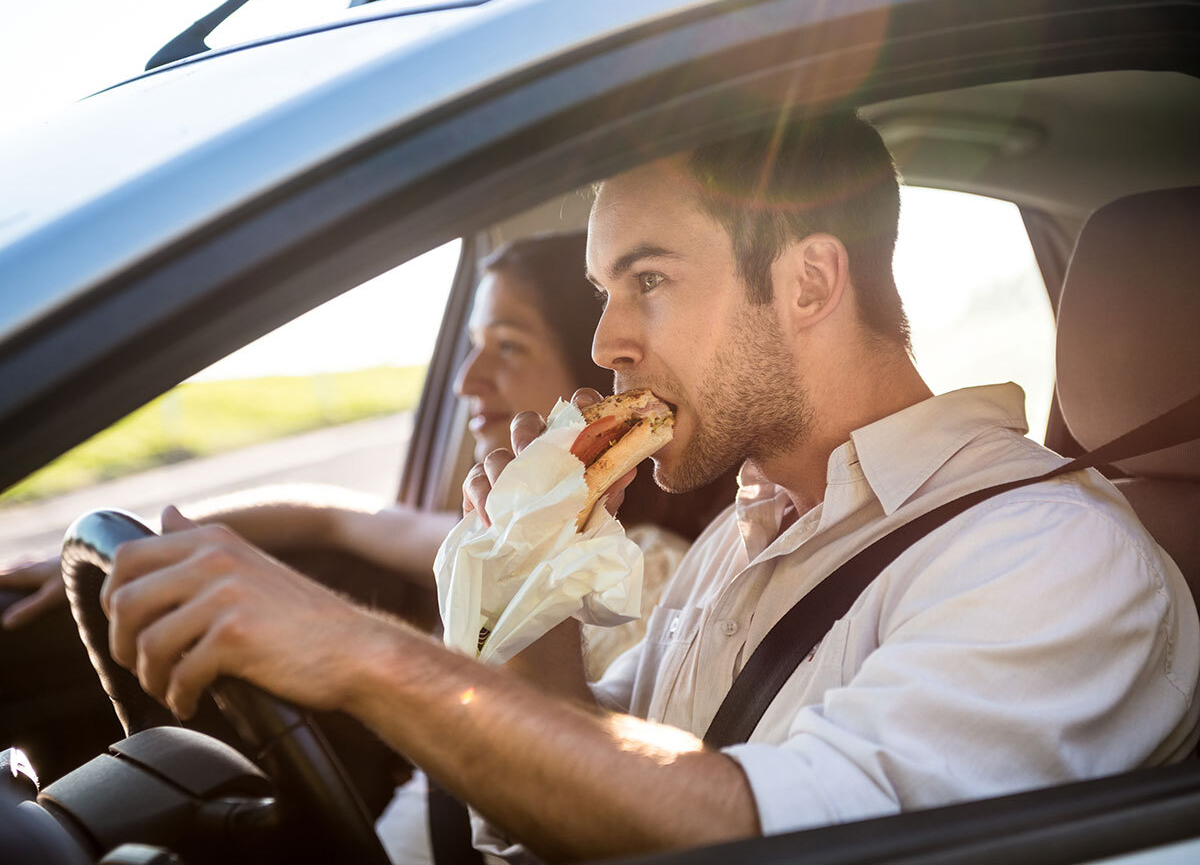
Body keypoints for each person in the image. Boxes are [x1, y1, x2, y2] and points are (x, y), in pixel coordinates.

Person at [84, 111, 1197, 862]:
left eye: (649, 280)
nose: (608, 339)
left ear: (809, 281)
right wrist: (529, 582)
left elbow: (750, 832)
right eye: (603, 288)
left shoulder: (1049, 557)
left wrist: (360, 652)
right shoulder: (749, 532)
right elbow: (589, 785)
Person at [0, 232, 729, 682]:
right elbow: (334, 517)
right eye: (472, 347)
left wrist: (346, 651)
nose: (467, 381)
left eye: (507, 347)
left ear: (590, 370)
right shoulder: (501, 540)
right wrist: (145, 542)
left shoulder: (651, 574)